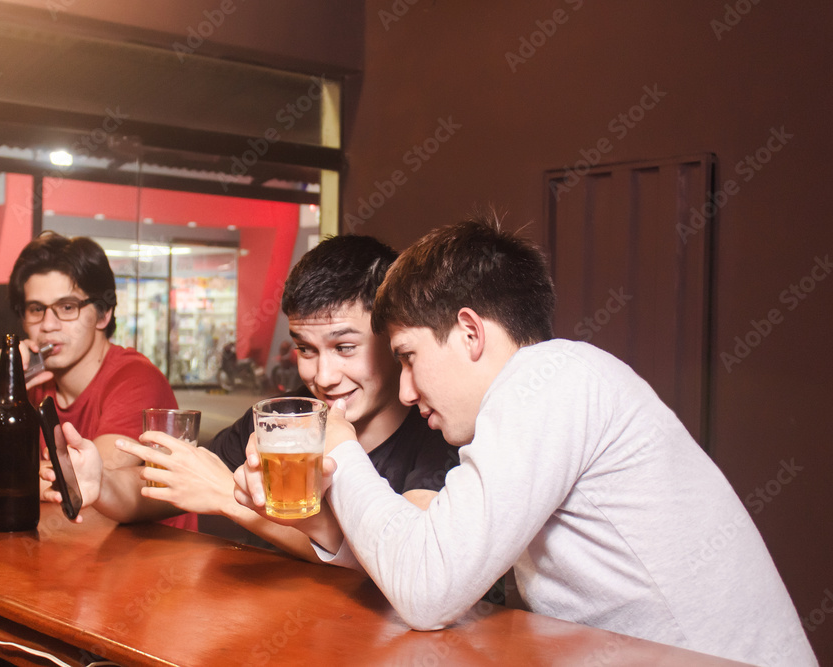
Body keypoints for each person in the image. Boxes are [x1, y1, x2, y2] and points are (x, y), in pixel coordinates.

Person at [233, 213, 817, 666]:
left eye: (409, 357)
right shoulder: (528, 403)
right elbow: (432, 552)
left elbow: (427, 595)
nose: (406, 391)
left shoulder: (551, 379)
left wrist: (338, 446)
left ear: (468, 331)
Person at [62, 234, 459, 562]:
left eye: (344, 348)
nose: (322, 376)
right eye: (306, 350)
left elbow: (409, 563)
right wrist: (102, 485)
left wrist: (228, 499)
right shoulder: (284, 417)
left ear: (391, 336)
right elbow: (171, 485)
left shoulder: (436, 428)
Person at [0, 232, 196, 532]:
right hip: (62, 549)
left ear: (103, 315)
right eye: (36, 309)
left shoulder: (135, 379)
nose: (48, 325)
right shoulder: (29, 383)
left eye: (67, 307)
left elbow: (79, 483)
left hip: (145, 566)